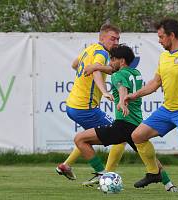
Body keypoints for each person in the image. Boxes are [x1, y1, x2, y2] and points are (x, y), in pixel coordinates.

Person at [74, 44, 178, 192]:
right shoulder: (135, 72)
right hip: (136, 125)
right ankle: (170, 186)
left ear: (121, 61)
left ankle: (102, 175)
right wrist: (95, 67)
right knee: (151, 159)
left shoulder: (118, 75)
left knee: (80, 139)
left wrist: (122, 102)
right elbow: (115, 75)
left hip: (122, 124)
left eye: (112, 59)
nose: (110, 63)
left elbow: (121, 88)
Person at [124, 19, 178, 196]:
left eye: (161, 36)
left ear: (172, 36)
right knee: (137, 136)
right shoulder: (163, 57)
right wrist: (134, 95)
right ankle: (154, 173)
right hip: (166, 110)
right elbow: (155, 83)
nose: (159, 40)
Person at [56, 24, 128, 181]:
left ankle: (66, 165)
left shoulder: (90, 49)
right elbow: (96, 71)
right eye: (112, 38)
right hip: (85, 108)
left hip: (73, 105)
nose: (115, 42)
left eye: (118, 39)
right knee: (121, 135)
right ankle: (105, 175)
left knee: (86, 138)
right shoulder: (101, 53)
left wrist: (85, 75)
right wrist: (104, 91)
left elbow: (75, 64)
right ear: (101, 38)